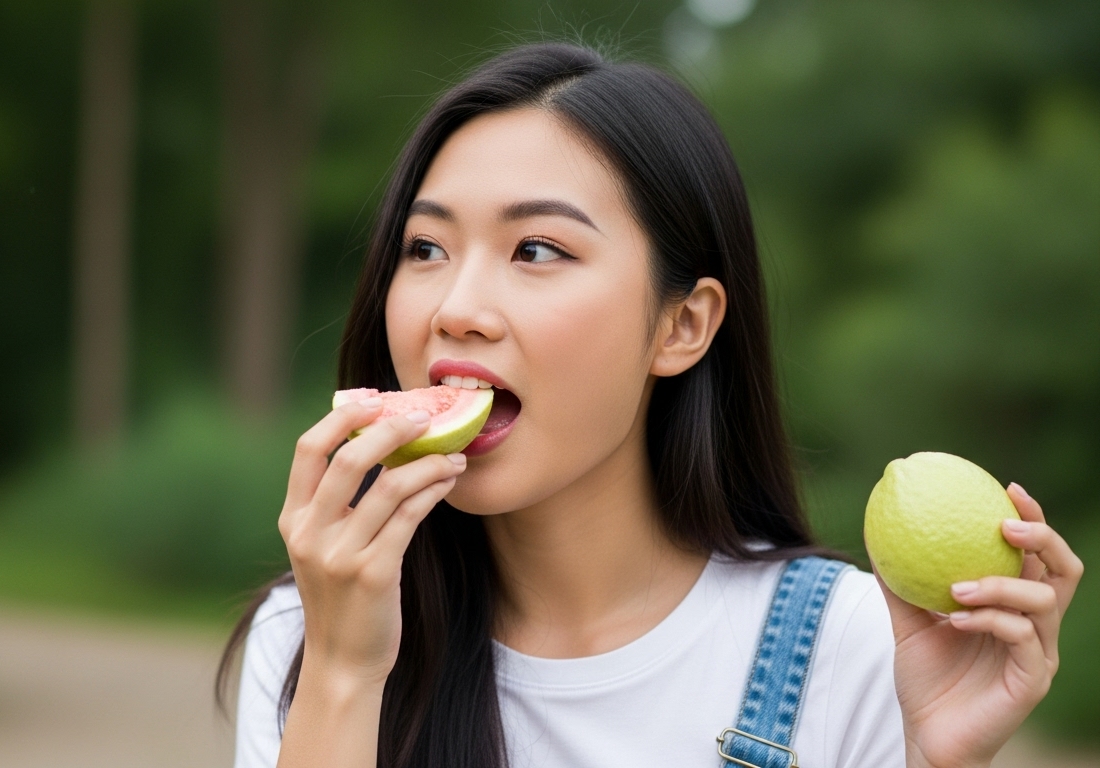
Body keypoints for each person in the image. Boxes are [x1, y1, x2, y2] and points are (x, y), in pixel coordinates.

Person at [216, 43, 1084, 768]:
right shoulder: (311, 632)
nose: (456, 307)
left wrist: (943, 764)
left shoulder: (853, 648)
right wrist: (341, 673)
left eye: (538, 248)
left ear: (683, 325)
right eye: (427, 246)